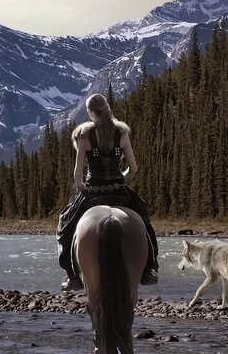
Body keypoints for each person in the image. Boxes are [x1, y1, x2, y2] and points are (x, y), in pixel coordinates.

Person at [56, 93, 158, 291]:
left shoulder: (83, 136)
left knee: (64, 226)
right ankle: (149, 269)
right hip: (118, 190)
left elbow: (77, 174)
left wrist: (80, 185)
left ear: (92, 112)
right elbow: (134, 168)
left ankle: (72, 276)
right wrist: (121, 179)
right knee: (145, 223)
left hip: (92, 190)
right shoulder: (122, 133)